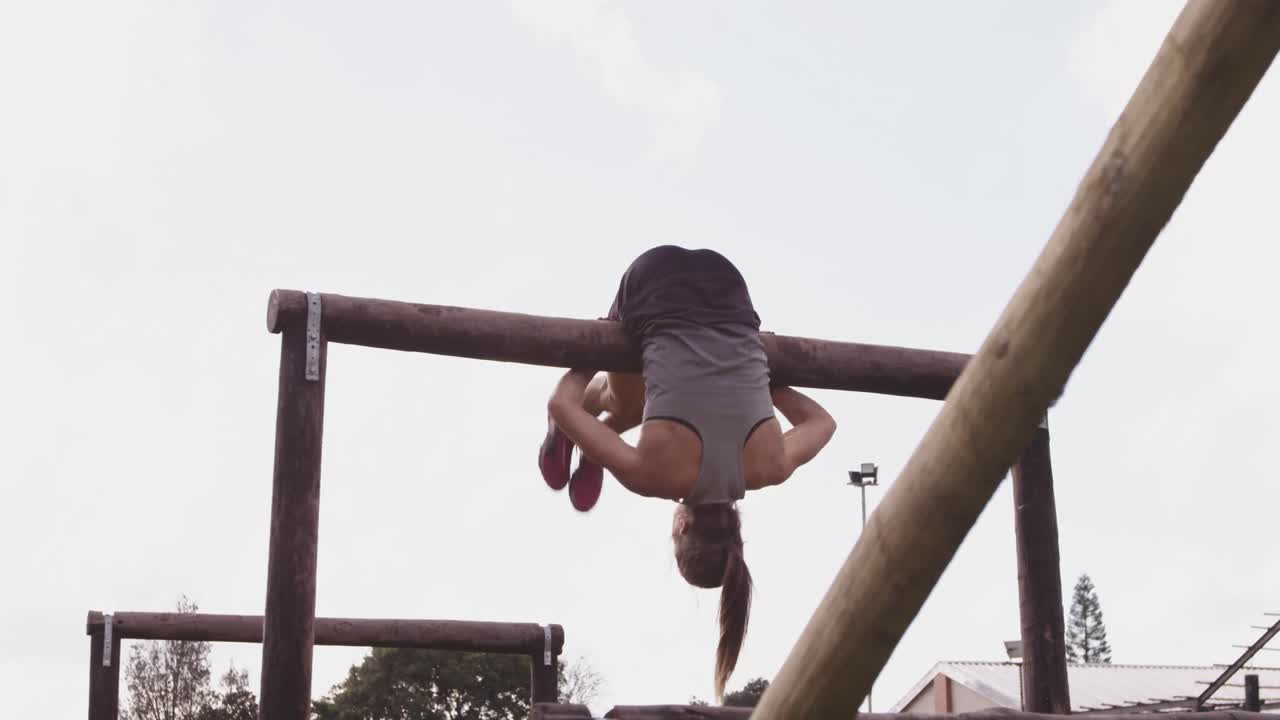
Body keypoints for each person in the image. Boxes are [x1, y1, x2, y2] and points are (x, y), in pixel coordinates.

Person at [537, 245, 837, 699]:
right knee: (626, 403)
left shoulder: (770, 466)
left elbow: (823, 422)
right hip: (653, 285)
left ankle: (590, 439)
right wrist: (589, 352)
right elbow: (560, 403)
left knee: (638, 400)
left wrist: (763, 377)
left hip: (732, 289)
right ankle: (586, 441)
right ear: (682, 524)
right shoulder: (654, 478)